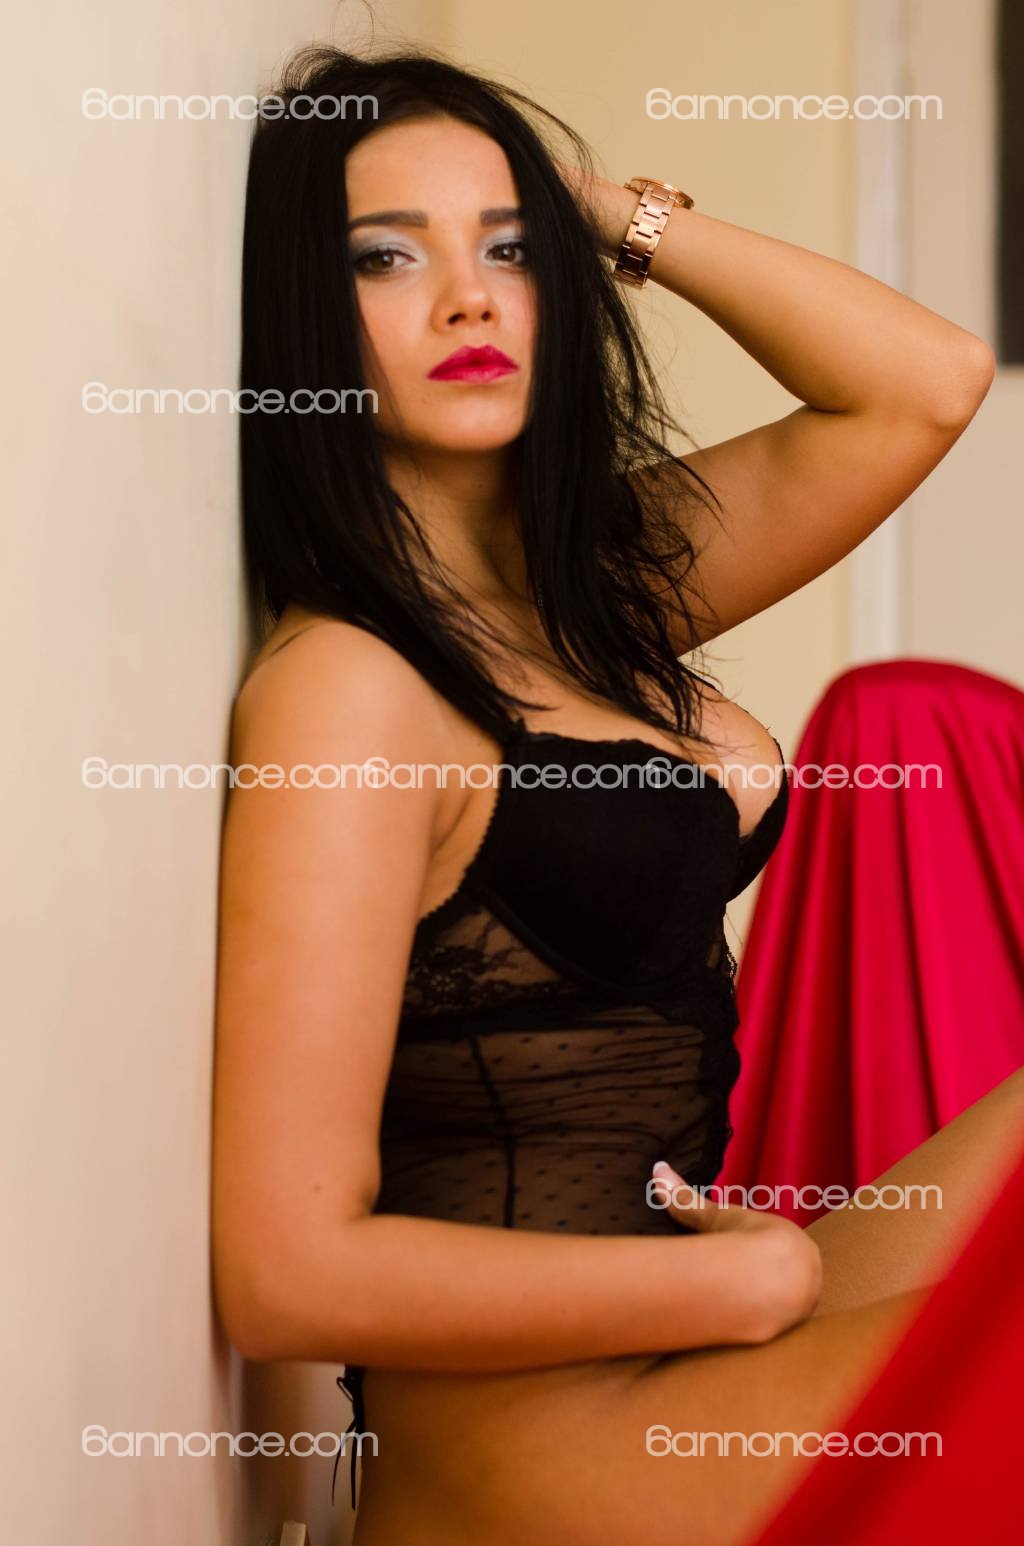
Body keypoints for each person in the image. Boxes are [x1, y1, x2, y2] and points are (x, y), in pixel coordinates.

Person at [211, 44, 1020, 1546]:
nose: (469, 299)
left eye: (510, 250)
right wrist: (749, 1276)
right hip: (550, 1450)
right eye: (387, 257)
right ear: (305, 316)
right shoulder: (348, 689)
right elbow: (283, 1272)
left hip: (692, 1344)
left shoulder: (587, 595)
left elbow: (923, 383)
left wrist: (588, 207)